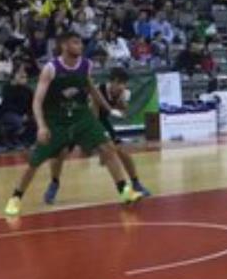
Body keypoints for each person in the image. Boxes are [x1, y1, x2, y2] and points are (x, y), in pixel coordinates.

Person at [4, 31, 144, 217]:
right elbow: (37, 101)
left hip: (81, 116)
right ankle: (15, 198)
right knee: (35, 161)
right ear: (64, 46)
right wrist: (42, 126)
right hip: (56, 120)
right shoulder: (51, 68)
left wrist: (109, 110)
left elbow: (91, 88)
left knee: (108, 148)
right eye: (75, 43)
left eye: (80, 42)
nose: (80, 46)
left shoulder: (86, 64)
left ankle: (124, 191)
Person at [44, 66, 152, 205]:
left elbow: (123, 112)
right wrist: (98, 144)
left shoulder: (124, 93)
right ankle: (54, 183)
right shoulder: (97, 91)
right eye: (119, 83)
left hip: (102, 121)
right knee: (60, 152)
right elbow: (93, 117)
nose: (122, 86)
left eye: (124, 83)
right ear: (111, 82)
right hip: (80, 120)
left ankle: (136, 183)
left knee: (122, 150)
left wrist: (121, 105)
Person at [0, 65, 36, 148]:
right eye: (22, 77)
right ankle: (10, 138)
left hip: (23, 114)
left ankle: (28, 142)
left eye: (25, 77)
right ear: (15, 77)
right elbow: (7, 105)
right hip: (8, 113)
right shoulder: (7, 88)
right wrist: (21, 114)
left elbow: (32, 104)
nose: (24, 79)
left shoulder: (28, 90)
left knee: (36, 120)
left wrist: (28, 114)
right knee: (17, 121)